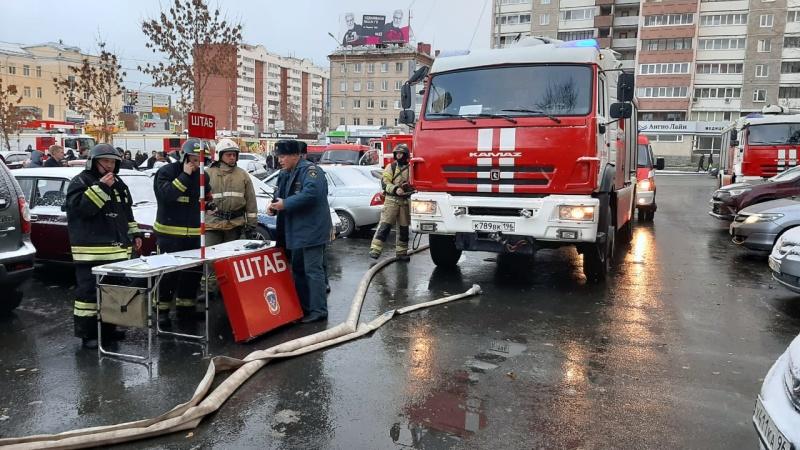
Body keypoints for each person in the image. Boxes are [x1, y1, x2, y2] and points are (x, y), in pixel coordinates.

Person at [65, 143, 143, 349]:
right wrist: (101, 187)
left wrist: (134, 233)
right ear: (93, 161)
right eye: (105, 161)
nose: (109, 166)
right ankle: (88, 334)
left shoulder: (119, 184)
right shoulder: (80, 181)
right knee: (89, 296)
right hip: (91, 253)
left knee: (113, 292)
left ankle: (109, 330)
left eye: (113, 162)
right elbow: (83, 210)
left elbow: (127, 213)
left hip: (117, 251)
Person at [267, 140, 332, 323]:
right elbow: (280, 195)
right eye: (279, 156)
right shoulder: (285, 173)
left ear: (295, 155)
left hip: (311, 231)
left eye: (283, 156)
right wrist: (274, 206)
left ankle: (318, 310)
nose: (280, 160)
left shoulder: (311, 171)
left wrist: (285, 204)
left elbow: (311, 194)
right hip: (295, 231)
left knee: (312, 270)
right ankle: (303, 308)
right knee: (298, 270)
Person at [153, 138, 212, 327]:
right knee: (168, 275)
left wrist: (210, 205)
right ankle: (161, 312)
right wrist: (185, 176)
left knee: (192, 275)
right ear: (184, 157)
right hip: (170, 235)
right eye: (193, 160)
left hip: (194, 234)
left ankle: (186, 310)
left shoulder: (204, 176)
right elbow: (167, 196)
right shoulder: (166, 172)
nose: (197, 164)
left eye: (201, 160)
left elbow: (205, 197)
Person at [206, 138, 258, 245]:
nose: (232, 158)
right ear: (219, 155)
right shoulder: (207, 174)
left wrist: (251, 226)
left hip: (235, 227)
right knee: (210, 259)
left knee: (232, 259)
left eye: (234, 155)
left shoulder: (242, 175)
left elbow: (251, 202)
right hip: (212, 227)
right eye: (229, 155)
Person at [369, 144, 412, 261]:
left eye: (401, 153)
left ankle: (402, 253)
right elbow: (384, 183)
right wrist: (395, 189)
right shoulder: (391, 167)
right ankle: (375, 249)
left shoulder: (410, 168)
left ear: (406, 155)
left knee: (404, 230)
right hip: (391, 201)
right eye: (397, 153)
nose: (398, 155)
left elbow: (413, 183)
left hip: (404, 202)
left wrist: (408, 189)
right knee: (385, 226)